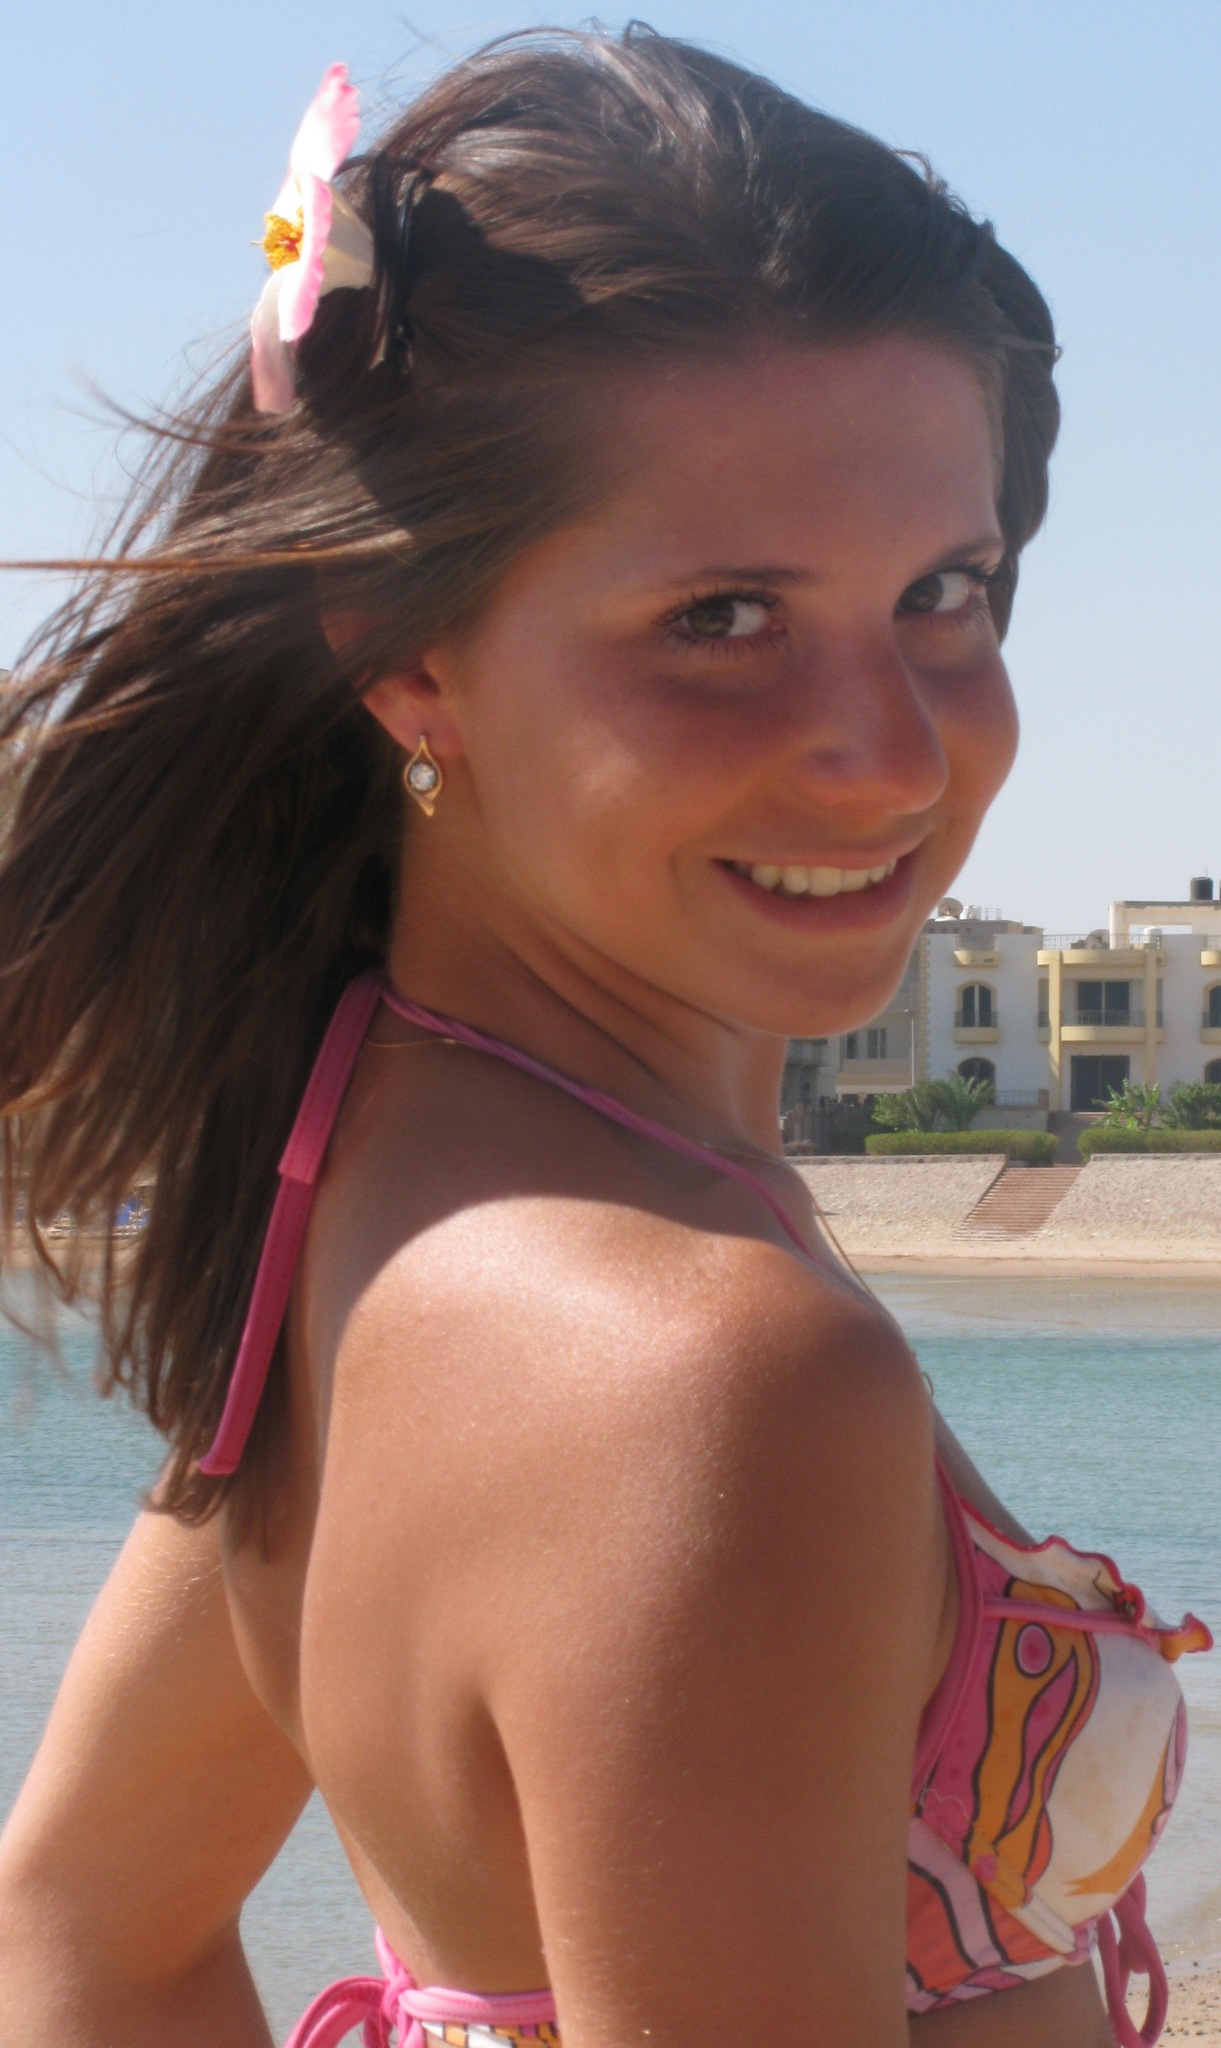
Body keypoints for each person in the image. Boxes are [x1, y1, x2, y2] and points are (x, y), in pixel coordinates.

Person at [0, 29, 1208, 2048]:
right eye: (721, 617)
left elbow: (84, 1924)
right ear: (404, 652)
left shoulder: (359, 1192)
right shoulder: (709, 1378)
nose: (889, 756)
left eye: (942, 589)